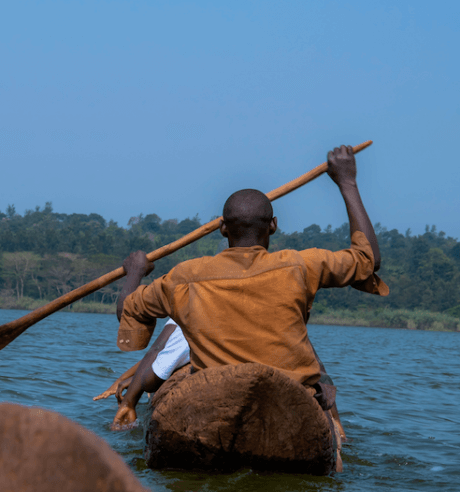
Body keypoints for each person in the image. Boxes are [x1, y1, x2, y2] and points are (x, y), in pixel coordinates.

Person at [109, 144, 387, 433]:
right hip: (289, 403)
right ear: (274, 226)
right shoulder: (302, 265)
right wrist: (347, 183)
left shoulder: (185, 277)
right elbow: (369, 260)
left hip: (215, 404)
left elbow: (126, 309)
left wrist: (135, 272)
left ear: (222, 228)